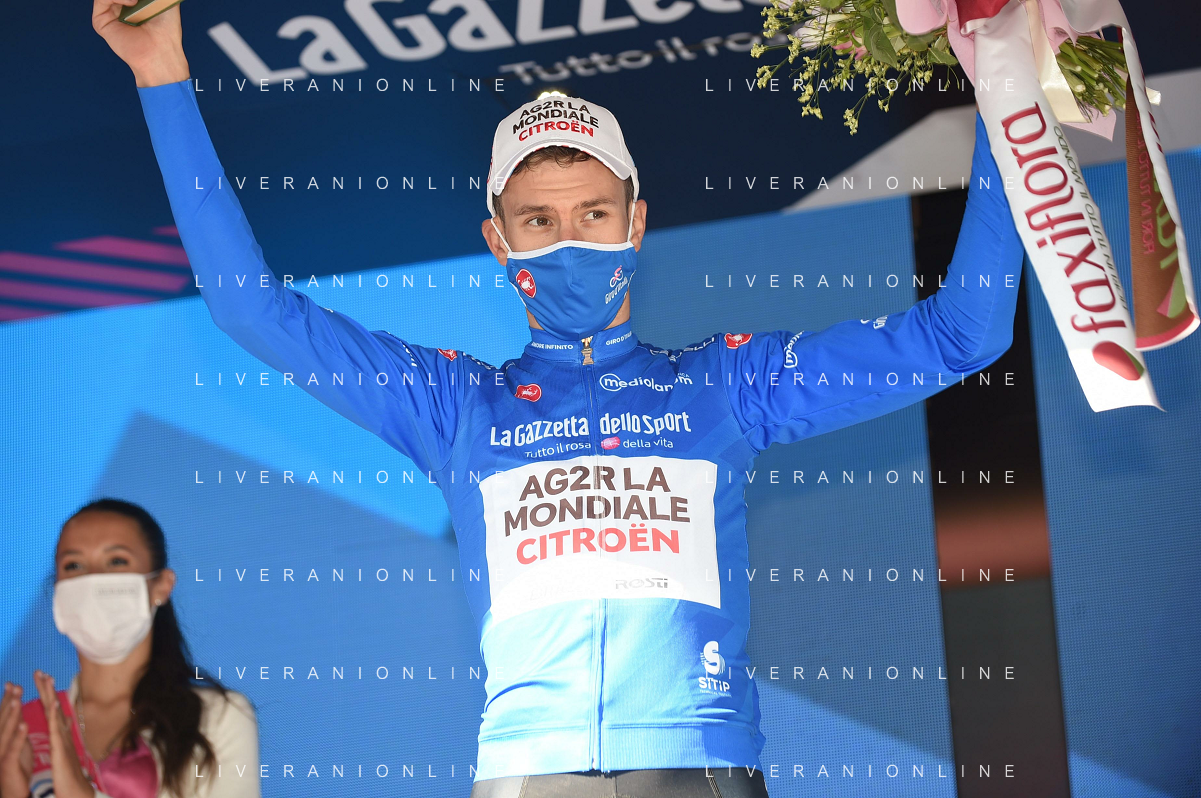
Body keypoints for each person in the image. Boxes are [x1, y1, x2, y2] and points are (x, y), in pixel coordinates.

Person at [92, 2, 1024, 795]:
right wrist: (162, 75)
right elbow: (249, 308)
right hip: (525, 775)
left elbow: (962, 334)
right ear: (497, 241)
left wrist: (1004, 90)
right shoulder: (452, 406)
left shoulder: (726, 386)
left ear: (636, 223)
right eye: (538, 221)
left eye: (592, 215)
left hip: (698, 766)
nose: (569, 242)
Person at [0, 499, 259, 798]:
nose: (94, 579)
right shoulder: (22, 729)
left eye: (117, 562)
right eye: (73, 565)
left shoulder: (216, 718)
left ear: (161, 585)